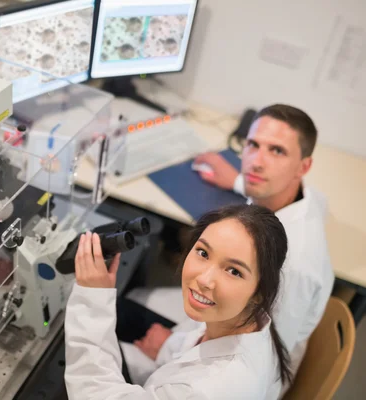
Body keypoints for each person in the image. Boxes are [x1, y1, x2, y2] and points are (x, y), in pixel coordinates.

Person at [124, 104, 334, 389]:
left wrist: (168, 347)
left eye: (277, 151)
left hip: (230, 372)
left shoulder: (291, 264)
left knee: (112, 320)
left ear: (304, 166)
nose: (256, 163)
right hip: (217, 321)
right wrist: (238, 181)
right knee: (127, 300)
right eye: (253, 145)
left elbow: (262, 356)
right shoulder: (304, 200)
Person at [65, 205, 291, 399]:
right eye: (203, 253)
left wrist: (91, 298)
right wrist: (167, 348)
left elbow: (94, 393)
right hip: (172, 356)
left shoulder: (203, 390)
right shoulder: (251, 324)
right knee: (119, 308)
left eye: (233, 271)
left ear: (259, 292)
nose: (204, 280)